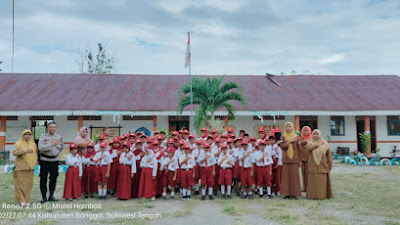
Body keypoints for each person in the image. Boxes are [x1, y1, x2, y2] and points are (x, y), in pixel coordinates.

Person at [38, 122, 64, 203]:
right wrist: (51, 144)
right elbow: (41, 148)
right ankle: (43, 196)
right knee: (43, 179)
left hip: (55, 161)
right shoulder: (43, 137)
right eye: (51, 127)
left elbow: (61, 147)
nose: (52, 128)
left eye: (54, 127)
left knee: (53, 178)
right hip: (44, 160)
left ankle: (51, 195)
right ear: (47, 128)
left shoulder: (59, 137)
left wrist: (55, 150)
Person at [305, 129, 333, 200]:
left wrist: (330, 164)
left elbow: (329, 155)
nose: (315, 136)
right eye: (314, 134)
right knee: (313, 181)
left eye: (317, 134)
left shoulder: (325, 143)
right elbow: (309, 149)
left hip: (323, 166)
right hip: (313, 166)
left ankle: (322, 196)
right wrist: (317, 145)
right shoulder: (310, 143)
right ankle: (312, 196)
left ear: (320, 135)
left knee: (321, 182)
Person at [13, 129, 38, 207]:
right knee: (20, 185)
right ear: (22, 135)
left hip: (30, 168)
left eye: (29, 134)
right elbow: (14, 152)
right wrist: (24, 150)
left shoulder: (33, 144)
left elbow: (35, 154)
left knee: (28, 185)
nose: (27, 136)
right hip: (20, 167)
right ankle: (21, 200)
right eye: (25, 134)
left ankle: (26, 200)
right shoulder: (18, 143)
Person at [279, 122, 301, 199]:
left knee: (294, 177)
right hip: (286, 159)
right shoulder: (283, 137)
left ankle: (294, 193)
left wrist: (299, 160)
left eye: (289, 126)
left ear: (292, 127)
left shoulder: (296, 137)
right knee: (286, 178)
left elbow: (299, 148)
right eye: (287, 127)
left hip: (294, 159)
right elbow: (282, 146)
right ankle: (286, 193)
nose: (288, 128)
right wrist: (289, 141)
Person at [298, 126, 312, 192]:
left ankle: (310, 187)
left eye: (307, 130)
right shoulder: (300, 138)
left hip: (310, 159)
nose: (305, 132)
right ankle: (305, 188)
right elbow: (299, 145)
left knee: (310, 174)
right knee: (304, 174)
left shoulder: (312, 138)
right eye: (304, 130)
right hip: (303, 159)